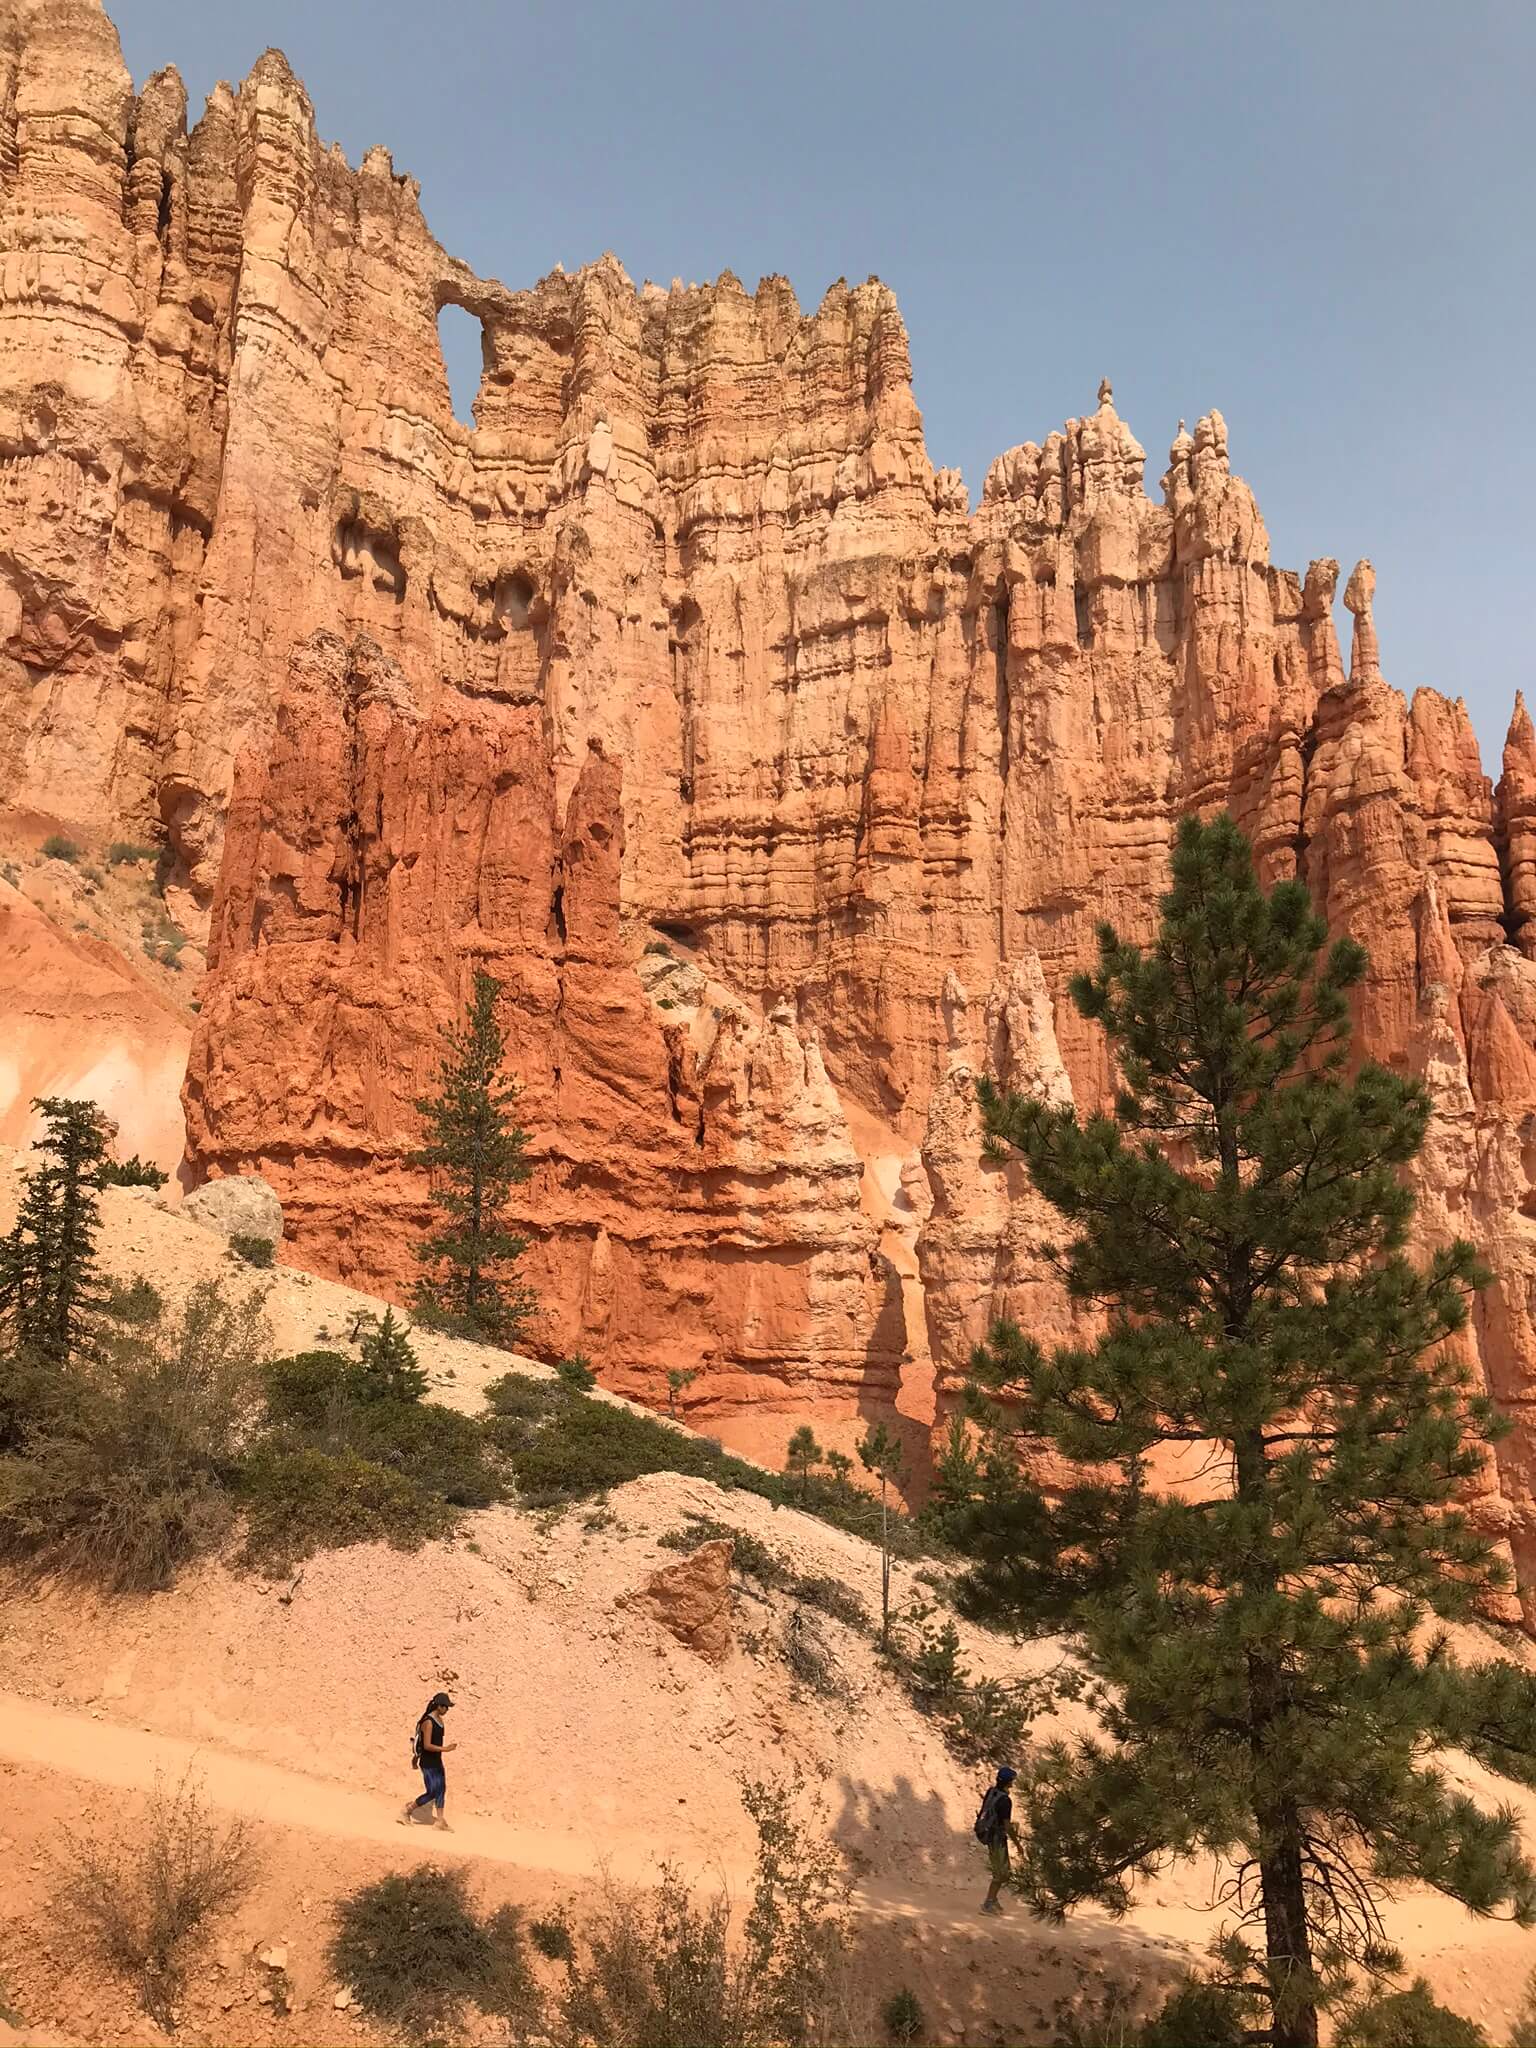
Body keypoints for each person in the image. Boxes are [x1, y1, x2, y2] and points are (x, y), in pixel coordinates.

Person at [401, 1692, 455, 1830]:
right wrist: (446, 1749)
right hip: (428, 1762)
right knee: (432, 1791)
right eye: (445, 1707)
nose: (447, 1710)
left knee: (441, 1789)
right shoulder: (428, 1722)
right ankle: (407, 1810)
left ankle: (440, 1821)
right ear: (439, 1706)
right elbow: (427, 1745)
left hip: (437, 1760)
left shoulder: (440, 1721)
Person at [978, 1764, 1016, 1914]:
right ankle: (989, 1903)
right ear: (1008, 1782)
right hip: (997, 1838)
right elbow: (1007, 1825)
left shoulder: (991, 1792)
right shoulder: (1005, 1801)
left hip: (988, 1833)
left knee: (1001, 1871)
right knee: (1002, 1872)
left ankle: (992, 1899)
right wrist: (1018, 1843)